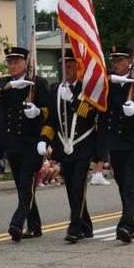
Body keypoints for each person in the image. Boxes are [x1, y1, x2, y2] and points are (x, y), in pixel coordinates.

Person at [0, 46, 52, 242]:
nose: (12, 65)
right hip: (11, 143)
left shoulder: (37, 83)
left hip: (32, 143)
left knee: (26, 184)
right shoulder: (5, 82)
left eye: (16, 62)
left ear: (26, 63)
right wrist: (9, 86)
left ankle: (16, 223)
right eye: (10, 62)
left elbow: (49, 112)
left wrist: (38, 112)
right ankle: (35, 226)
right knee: (23, 186)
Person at [97, 45, 134, 243]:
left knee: (130, 184)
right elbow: (94, 77)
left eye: (120, 60)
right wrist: (112, 78)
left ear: (130, 61)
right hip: (115, 143)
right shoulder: (109, 82)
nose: (115, 64)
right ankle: (133, 222)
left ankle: (126, 225)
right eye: (113, 61)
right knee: (122, 184)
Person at [41, 48, 97, 242]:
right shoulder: (56, 89)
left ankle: (74, 227)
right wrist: (44, 139)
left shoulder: (86, 89)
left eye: (71, 65)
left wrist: (72, 99)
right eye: (64, 65)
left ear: (79, 67)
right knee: (70, 186)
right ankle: (86, 225)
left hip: (83, 145)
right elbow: (52, 120)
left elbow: (90, 114)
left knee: (78, 186)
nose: (68, 68)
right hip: (64, 146)